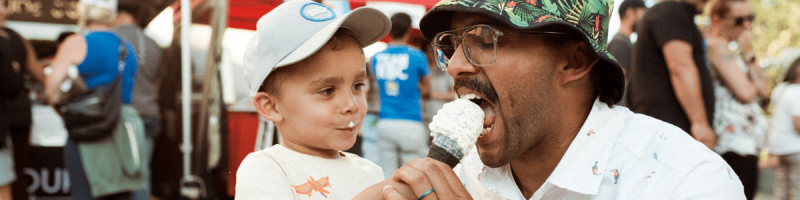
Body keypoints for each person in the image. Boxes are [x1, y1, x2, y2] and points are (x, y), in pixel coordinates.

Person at [353, 0, 746, 198]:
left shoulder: (684, 182)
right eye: (450, 45)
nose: (454, 66)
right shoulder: (463, 175)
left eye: (485, 39)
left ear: (574, 61)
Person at [234, 1, 391, 199]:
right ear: (271, 106)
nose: (351, 105)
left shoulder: (371, 172)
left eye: (357, 86)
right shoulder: (265, 168)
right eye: (327, 91)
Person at [44, 1, 147, 199]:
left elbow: (51, 90)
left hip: (88, 128)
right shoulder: (127, 48)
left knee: (85, 193)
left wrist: (67, 113)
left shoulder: (77, 43)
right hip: (123, 127)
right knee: (121, 193)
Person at [627, 0, 716, 150]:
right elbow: (680, 67)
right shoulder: (671, 11)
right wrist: (700, 123)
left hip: (669, 132)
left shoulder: (670, 13)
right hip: (670, 134)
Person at [705, 0, 767, 199]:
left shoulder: (733, 51)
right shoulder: (716, 46)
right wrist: (747, 53)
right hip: (732, 147)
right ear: (717, 20)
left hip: (746, 147)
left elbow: (764, 91)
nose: (746, 25)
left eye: (750, 18)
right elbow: (747, 93)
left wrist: (749, 54)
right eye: (739, 20)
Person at [372, 13, 432, 178]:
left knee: (387, 175)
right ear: (409, 30)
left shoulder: (376, 58)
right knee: (415, 176)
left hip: (385, 122)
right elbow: (428, 91)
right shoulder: (417, 56)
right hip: (411, 122)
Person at [114, 5, 164, 200]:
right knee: (141, 173)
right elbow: (158, 83)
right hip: (148, 113)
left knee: (115, 176)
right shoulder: (154, 44)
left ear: (119, 14)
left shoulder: (112, 37)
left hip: (119, 114)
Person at [0, 0, 44, 199]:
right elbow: (38, 74)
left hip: (11, 116)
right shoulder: (18, 38)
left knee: (10, 175)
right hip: (18, 114)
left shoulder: (15, 38)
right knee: (14, 173)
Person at [769, 48, 800, 200]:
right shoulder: (797, 92)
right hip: (795, 149)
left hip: (779, 147)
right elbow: (798, 124)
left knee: (781, 189)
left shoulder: (780, 89)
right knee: (796, 190)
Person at [415, 37, 456, 137]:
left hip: (442, 118)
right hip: (424, 117)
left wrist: (430, 94)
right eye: (427, 52)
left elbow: (453, 95)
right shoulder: (421, 71)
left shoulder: (445, 70)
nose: (429, 56)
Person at [607, 0, 646, 77]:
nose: (644, 20)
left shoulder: (623, 42)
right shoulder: (620, 43)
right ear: (630, 13)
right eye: (642, 14)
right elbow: (615, 81)